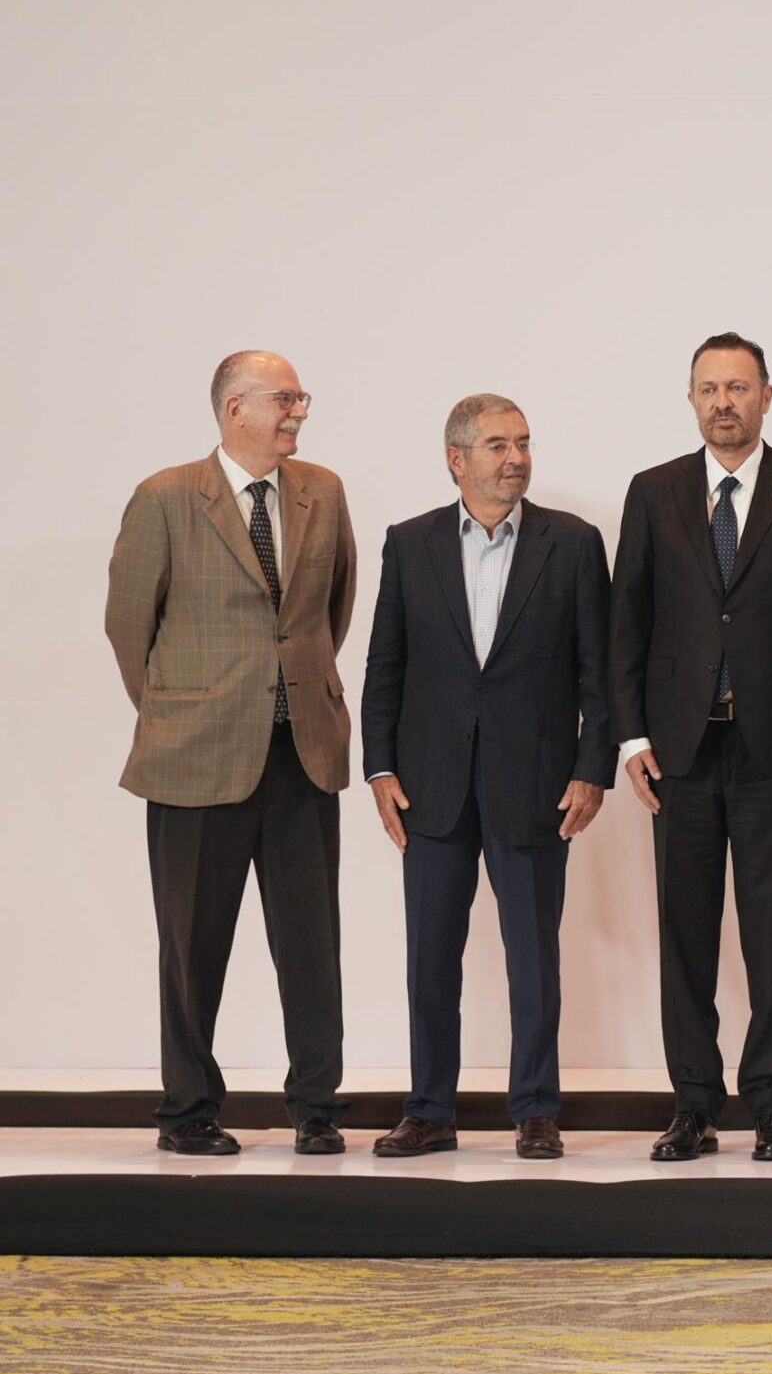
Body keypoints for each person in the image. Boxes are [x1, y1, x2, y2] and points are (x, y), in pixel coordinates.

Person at [610, 333, 772, 1163]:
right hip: (677, 749)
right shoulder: (653, 492)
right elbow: (628, 623)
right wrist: (632, 736)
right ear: (691, 400)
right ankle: (692, 1103)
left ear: (767, 396)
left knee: (771, 931)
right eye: (710, 388)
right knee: (684, 929)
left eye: (739, 387)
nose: (724, 401)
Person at [105, 351, 358, 1156]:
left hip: (302, 756)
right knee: (191, 943)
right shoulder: (167, 496)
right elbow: (126, 624)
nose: (298, 412)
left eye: (300, 398)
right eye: (284, 399)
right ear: (234, 407)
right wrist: (181, 711)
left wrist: (292, 688)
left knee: (313, 944)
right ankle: (187, 1112)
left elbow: (332, 607)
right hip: (195, 758)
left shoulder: (324, 490)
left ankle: (317, 1107)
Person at [360, 394, 613, 1162]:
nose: (517, 458)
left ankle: (537, 1110)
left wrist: (591, 767)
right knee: (429, 957)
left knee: (533, 957)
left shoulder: (572, 544)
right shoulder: (410, 543)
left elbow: (597, 673)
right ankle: (429, 1110)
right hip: (429, 786)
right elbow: (385, 666)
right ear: (456, 458)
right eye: (499, 445)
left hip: (535, 782)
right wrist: (378, 766)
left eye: (524, 443)